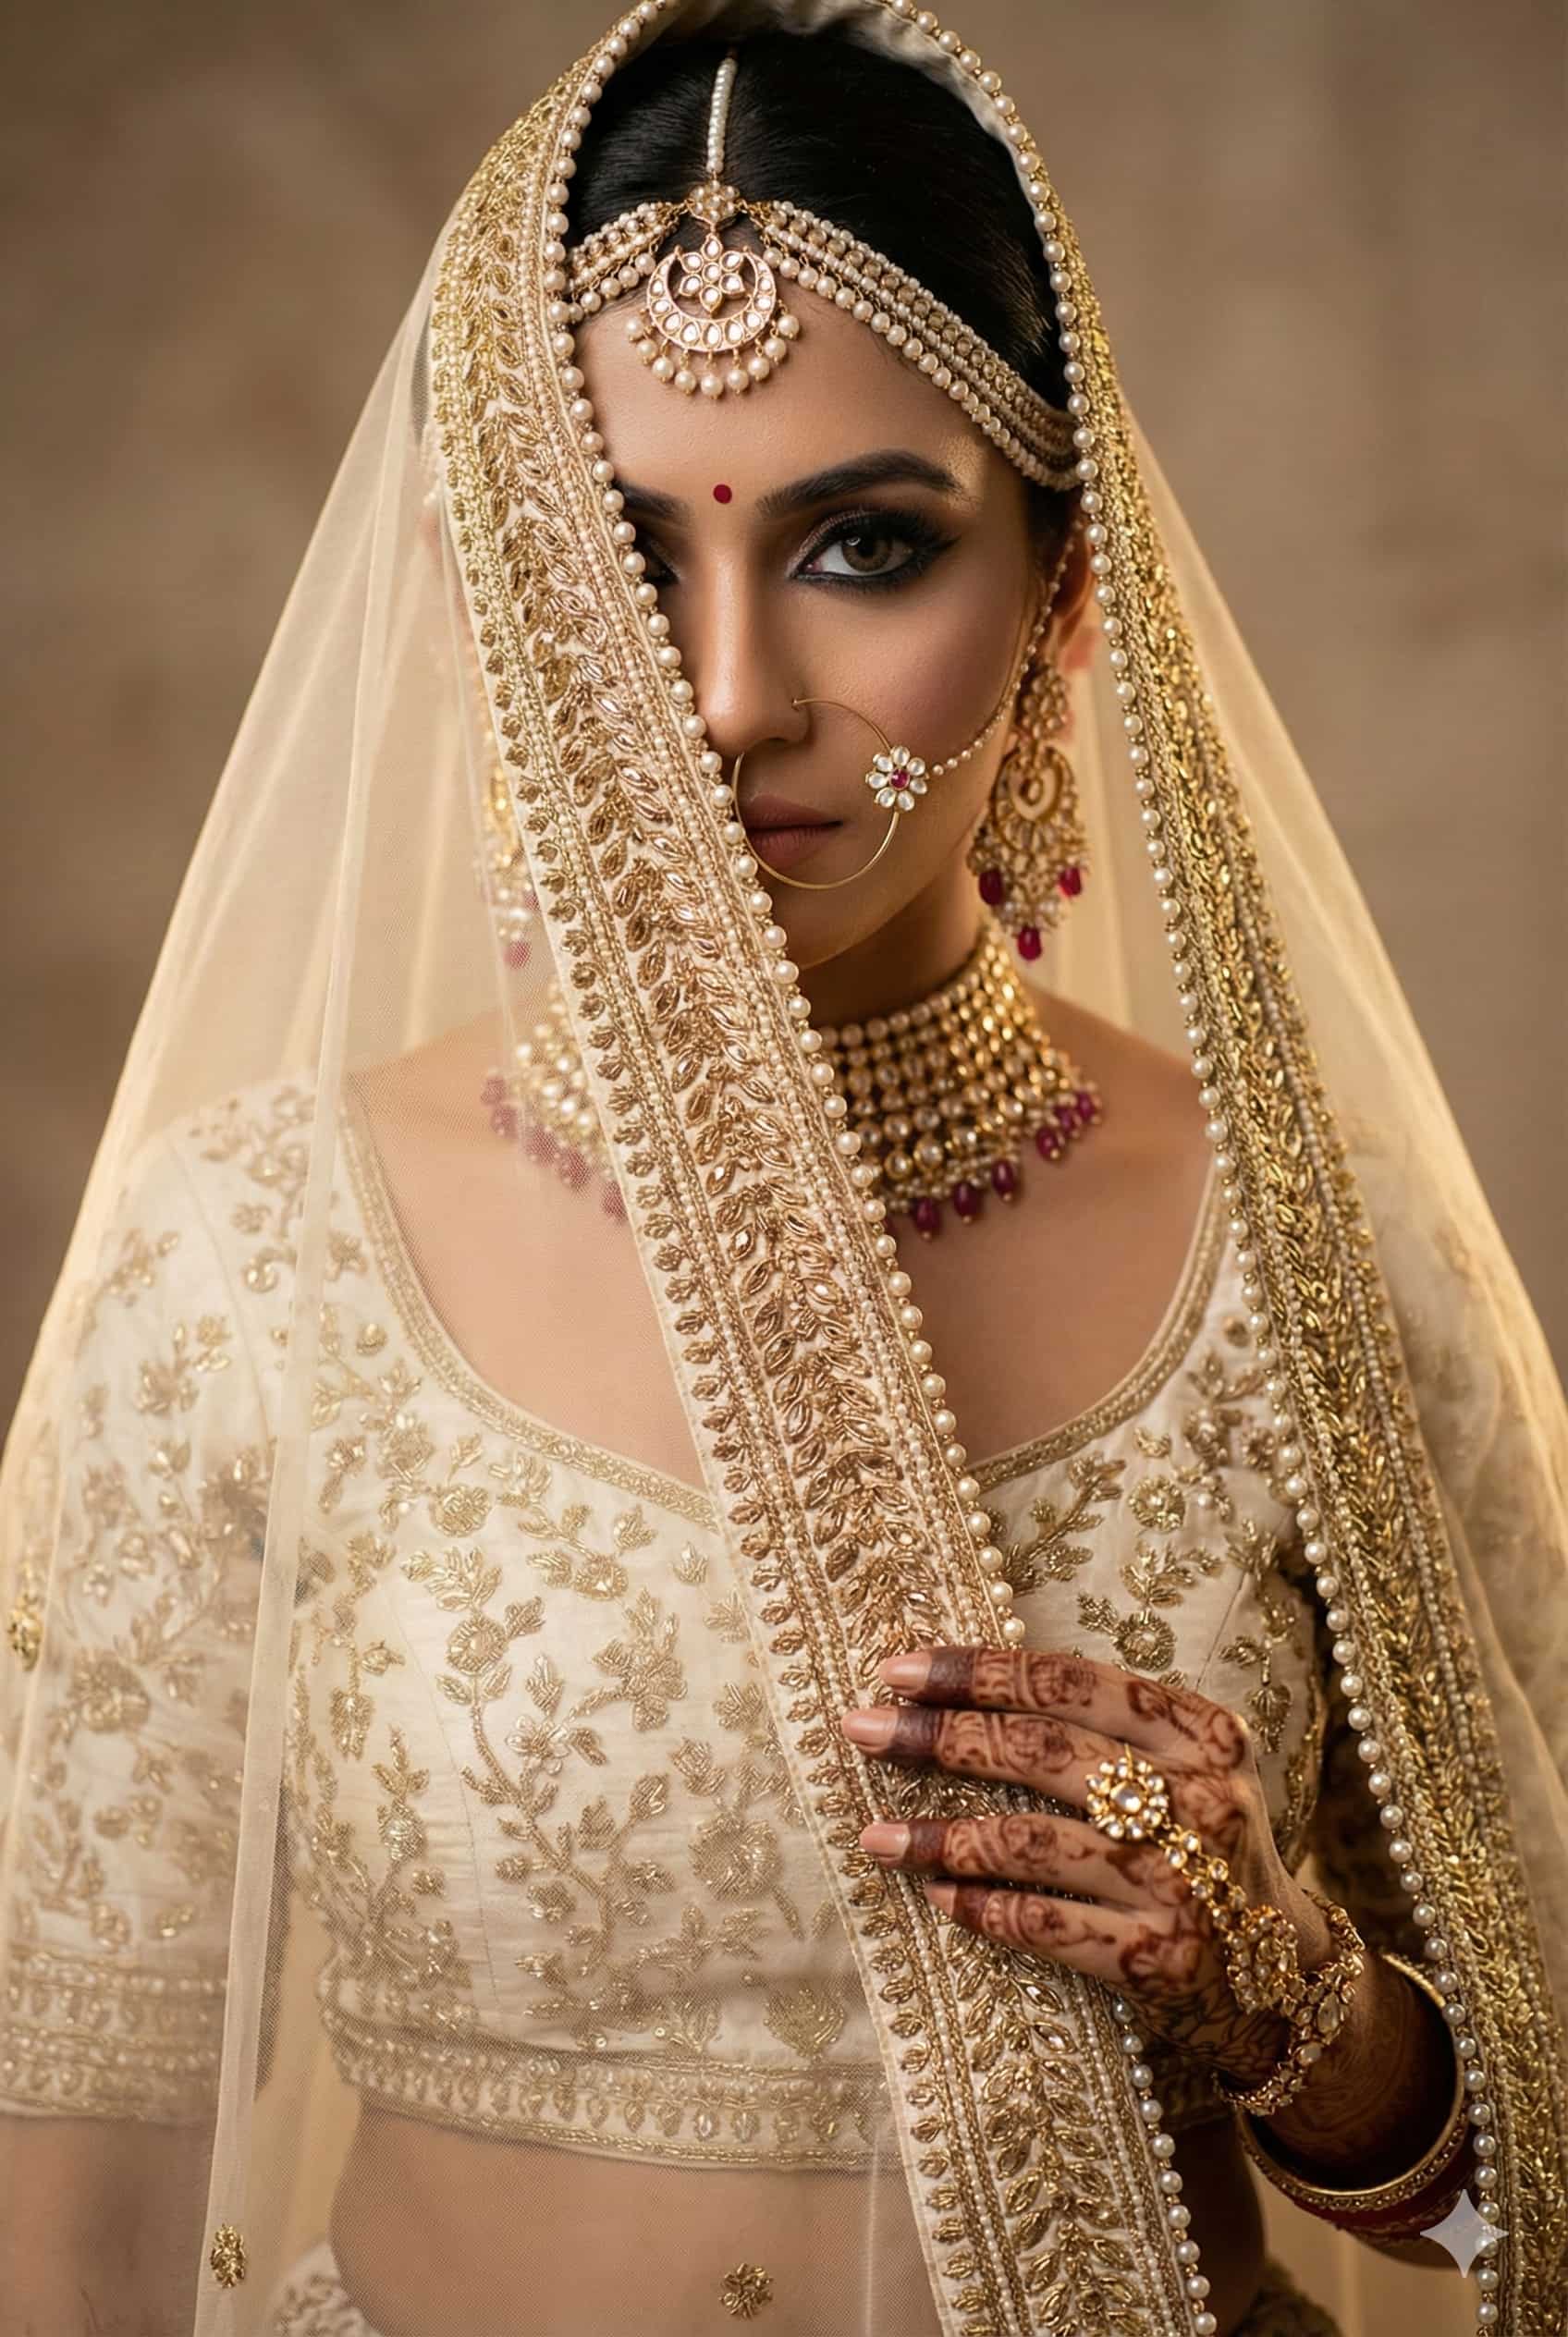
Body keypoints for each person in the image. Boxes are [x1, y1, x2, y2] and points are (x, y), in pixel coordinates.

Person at [2, 6, 1563, 2334]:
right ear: (486, 603)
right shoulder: (244, 1263)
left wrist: (1290, 1998)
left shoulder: (1302, 1248)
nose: (729, 697)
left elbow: (1516, 2205)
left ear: (1060, 601)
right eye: (619, 555)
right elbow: (72, 2192)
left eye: (863, 543)